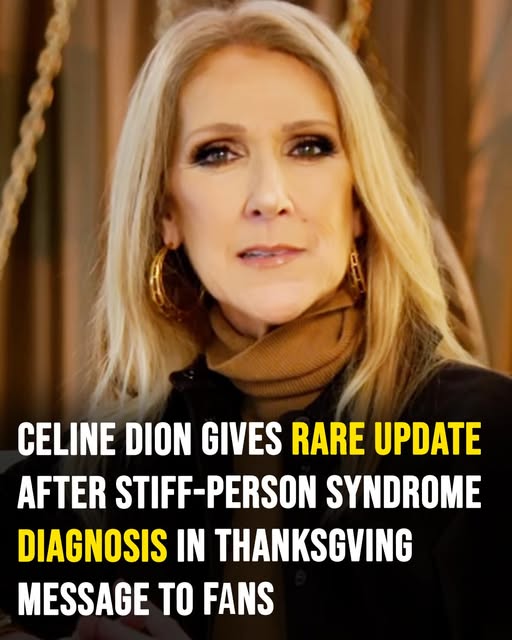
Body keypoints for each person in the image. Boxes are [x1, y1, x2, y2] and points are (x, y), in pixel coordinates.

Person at [1, 1, 511, 639]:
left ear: (359, 201)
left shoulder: (486, 436)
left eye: (309, 147)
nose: (270, 197)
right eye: (217, 153)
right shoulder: (110, 468)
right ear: (167, 214)